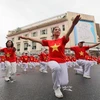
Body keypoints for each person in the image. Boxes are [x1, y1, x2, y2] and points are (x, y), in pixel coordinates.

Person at [19, 15, 80, 98]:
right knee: (56, 68)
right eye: (56, 29)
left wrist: (73, 24)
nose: (58, 30)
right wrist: (26, 37)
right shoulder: (48, 42)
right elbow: (36, 40)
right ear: (53, 32)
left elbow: (68, 32)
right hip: (52, 60)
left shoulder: (63, 39)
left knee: (64, 82)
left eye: (59, 30)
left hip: (62, 61)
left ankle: (58, 83)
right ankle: (56, 88)